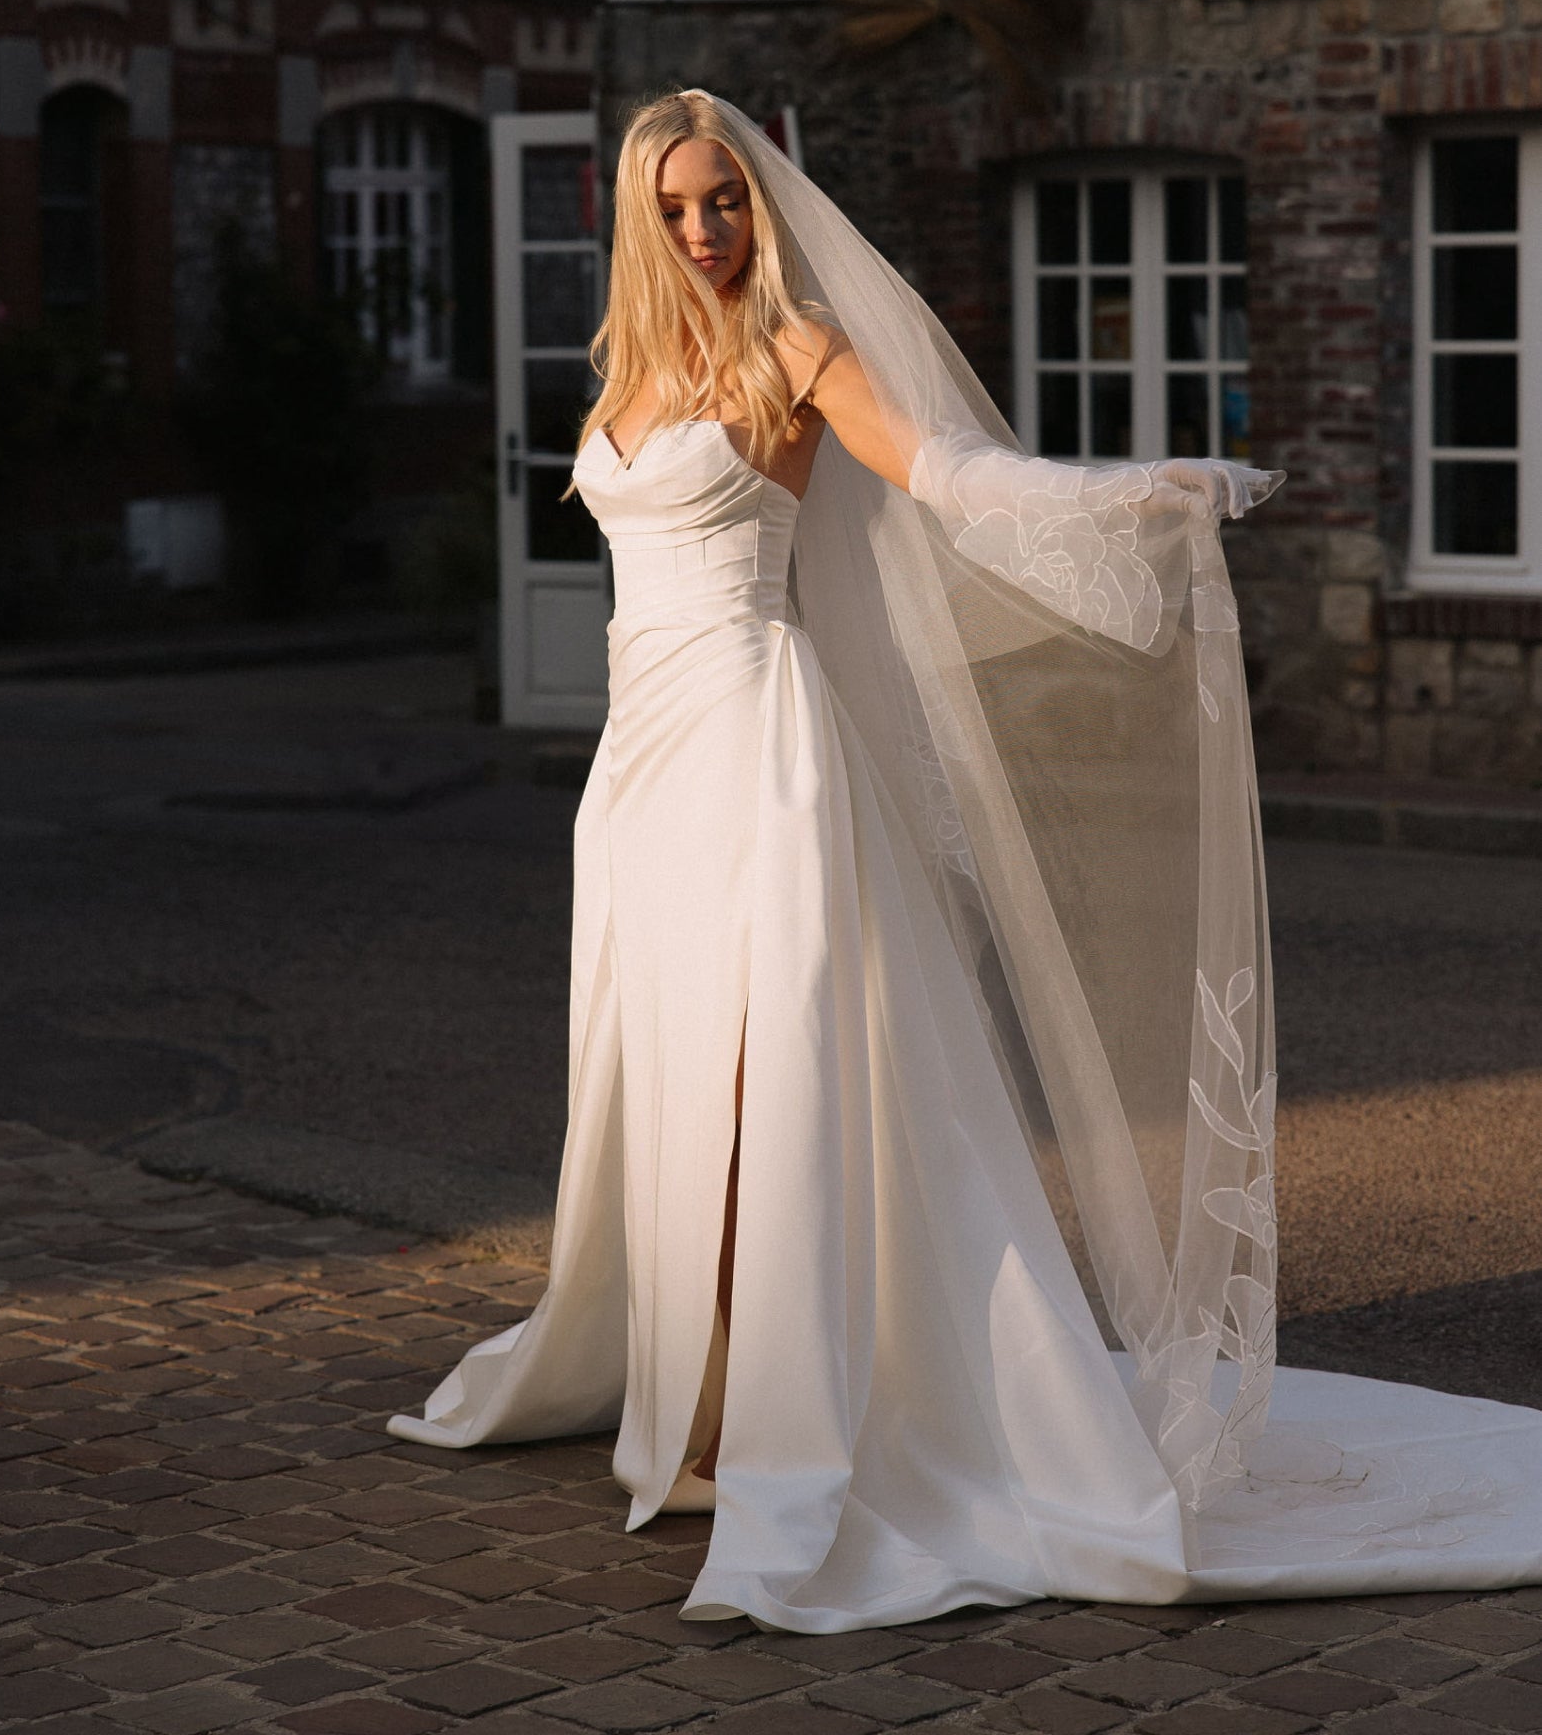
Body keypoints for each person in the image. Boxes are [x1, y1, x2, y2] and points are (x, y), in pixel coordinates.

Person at [390, 89, 1542, 1633]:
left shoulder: (794, 351)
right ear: (636, 220)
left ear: (761, 202)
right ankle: (690, 1392)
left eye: (724, 198)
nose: (704, 229)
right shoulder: (627, 370)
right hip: (638, 770)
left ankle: (765, 1425)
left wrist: (1129, 496)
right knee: (660, 1082)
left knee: (763, 1084)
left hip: (756, 750)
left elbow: (944, 475)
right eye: (674, 208)